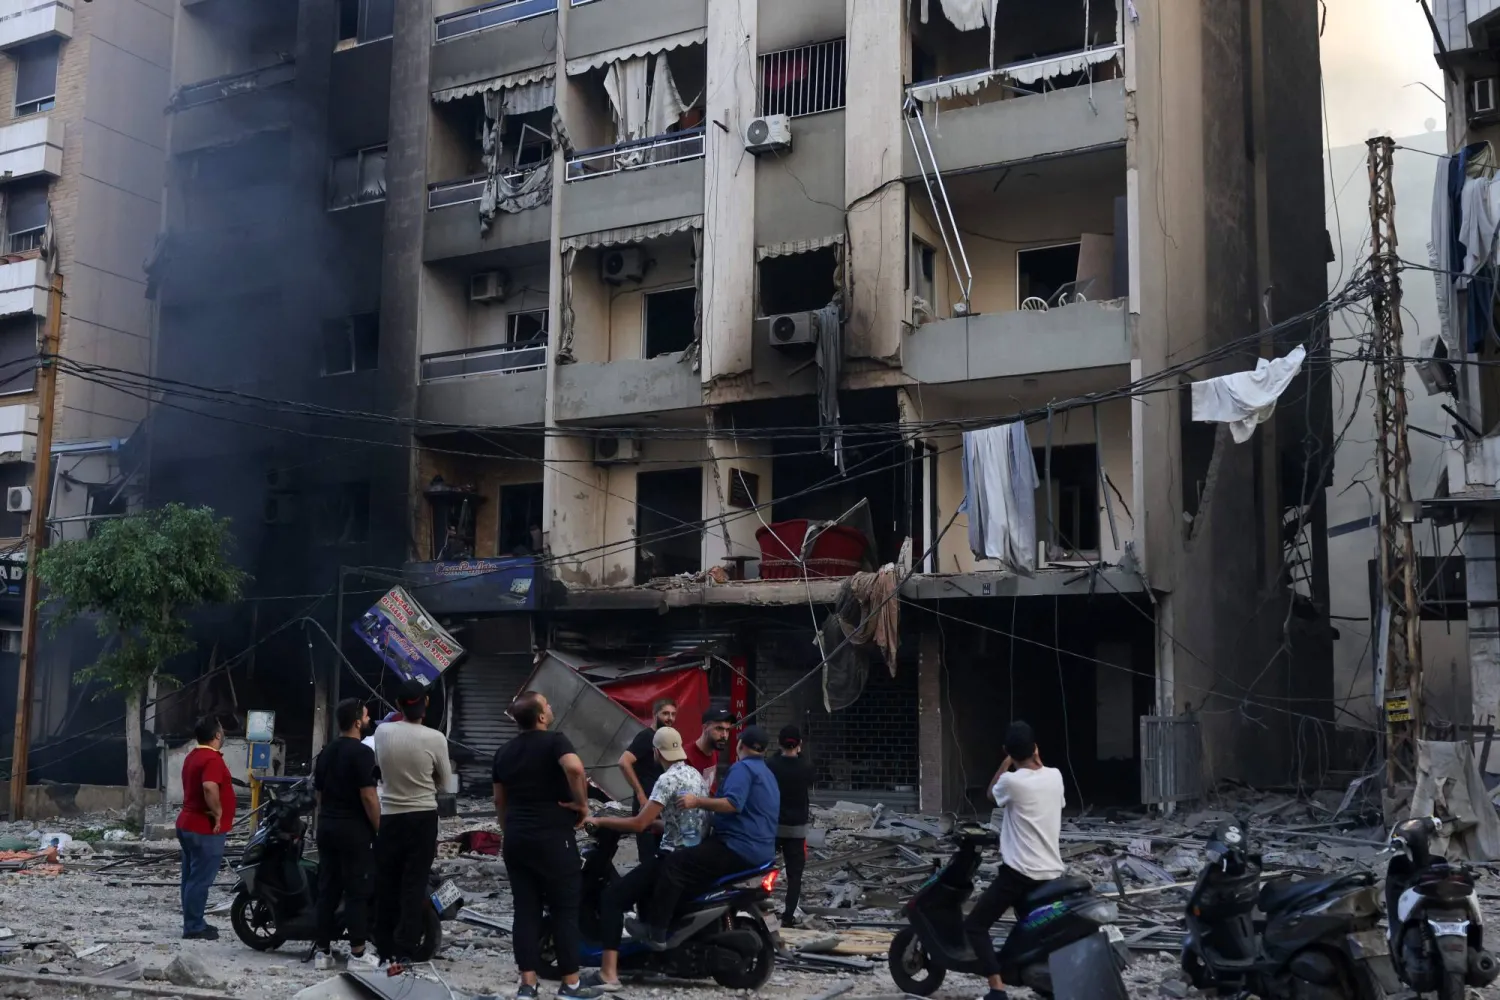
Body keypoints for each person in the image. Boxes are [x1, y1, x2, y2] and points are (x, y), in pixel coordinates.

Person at [492, 691, 602, 1000]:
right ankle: (571, 984)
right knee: (563, 910)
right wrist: (582, 805)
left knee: (525, 910)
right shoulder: (556, 741)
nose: (551, 708)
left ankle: (528, 984)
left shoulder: (503, 752)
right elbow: (576, 769)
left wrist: (508, 829)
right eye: (548, 705)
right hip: (553, 838)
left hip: (517, 839)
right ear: (541, 717)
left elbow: (499, 800)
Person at [580, 726, 707, 992]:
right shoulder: (695, 775)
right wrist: (658, 824)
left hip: (671, 857)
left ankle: (608, 974)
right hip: (694, 855)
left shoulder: (666, 779)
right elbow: (683, 821)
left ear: (655, 752)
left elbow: (638, 824)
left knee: (613, 898)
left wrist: (601, 820)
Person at [640, 725, 780, 945]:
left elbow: (732, 803)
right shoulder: (768, 773)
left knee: (675, 864)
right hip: (761, 851)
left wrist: (696, 802)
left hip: (737, 848)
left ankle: (656, 931)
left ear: (740, 745)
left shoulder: (742, 769)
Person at [962, 721, 1066, 1000]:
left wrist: (1006, 762)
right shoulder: (1055, 776)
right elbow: (1054, 795)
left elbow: (990, 795)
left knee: (975, 925)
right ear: (1035, 748)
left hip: (1019, 874)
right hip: (1052, 873)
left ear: (1007, 751)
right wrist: (1035, 759)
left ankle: (997, 989)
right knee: (1033, 928)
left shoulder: (1011, 781)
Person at [371, 679, 453, 972]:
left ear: (397, 705)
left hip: (390, 816)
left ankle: (384, 948)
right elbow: (445, 782)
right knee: (413, 884)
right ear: (425, 704)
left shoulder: (382, 732)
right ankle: (405, 950)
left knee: (387, 882)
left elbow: (381, 767)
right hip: (422, 816)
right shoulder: (435, 738)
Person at [312, 699, 381, 971]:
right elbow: (369, 796)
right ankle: (358, 953)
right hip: (353, 831)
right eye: (365, 716)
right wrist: (379, 829)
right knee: (356, 892)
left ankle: (322, 952)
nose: (368, 720)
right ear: (356, 722)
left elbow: (319, 794)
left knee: (327, 890)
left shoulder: (326, 752)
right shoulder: (362, 753)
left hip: (327, 827)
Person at [176, 716, 234, 940]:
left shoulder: (193, 756)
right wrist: (218, 812)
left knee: (190, 876)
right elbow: (209, 787)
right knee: (200, 878)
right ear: (217, 735)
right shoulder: (211, 759)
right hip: (204, 827)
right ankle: (194, 926)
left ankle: (193, 921)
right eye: (222, 730)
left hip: (187, 823)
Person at [617, 697, 678, 859]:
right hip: (647, 808)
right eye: (665, 713)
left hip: (664, 809)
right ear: (654, 714)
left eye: (673, 714)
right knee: (649, 860)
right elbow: (624, 762)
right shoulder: (646, 737)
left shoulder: (668, 738)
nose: (670, 718)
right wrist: (641, 796)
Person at [766, 724, 813, 927]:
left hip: (773, 827)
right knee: (795, 876)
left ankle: (760, 907)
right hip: (797, 829)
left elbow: (777, 761)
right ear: (799, 744)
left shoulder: (770, 765)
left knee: (764, 868)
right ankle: (788, 916)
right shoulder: (806, 767)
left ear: (779, 743)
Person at [682, 707, 734, 792]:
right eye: (719, 728)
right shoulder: (686, 758)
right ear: (705, 728)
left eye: (727, 730)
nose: (724, 735)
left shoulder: (715, 751)